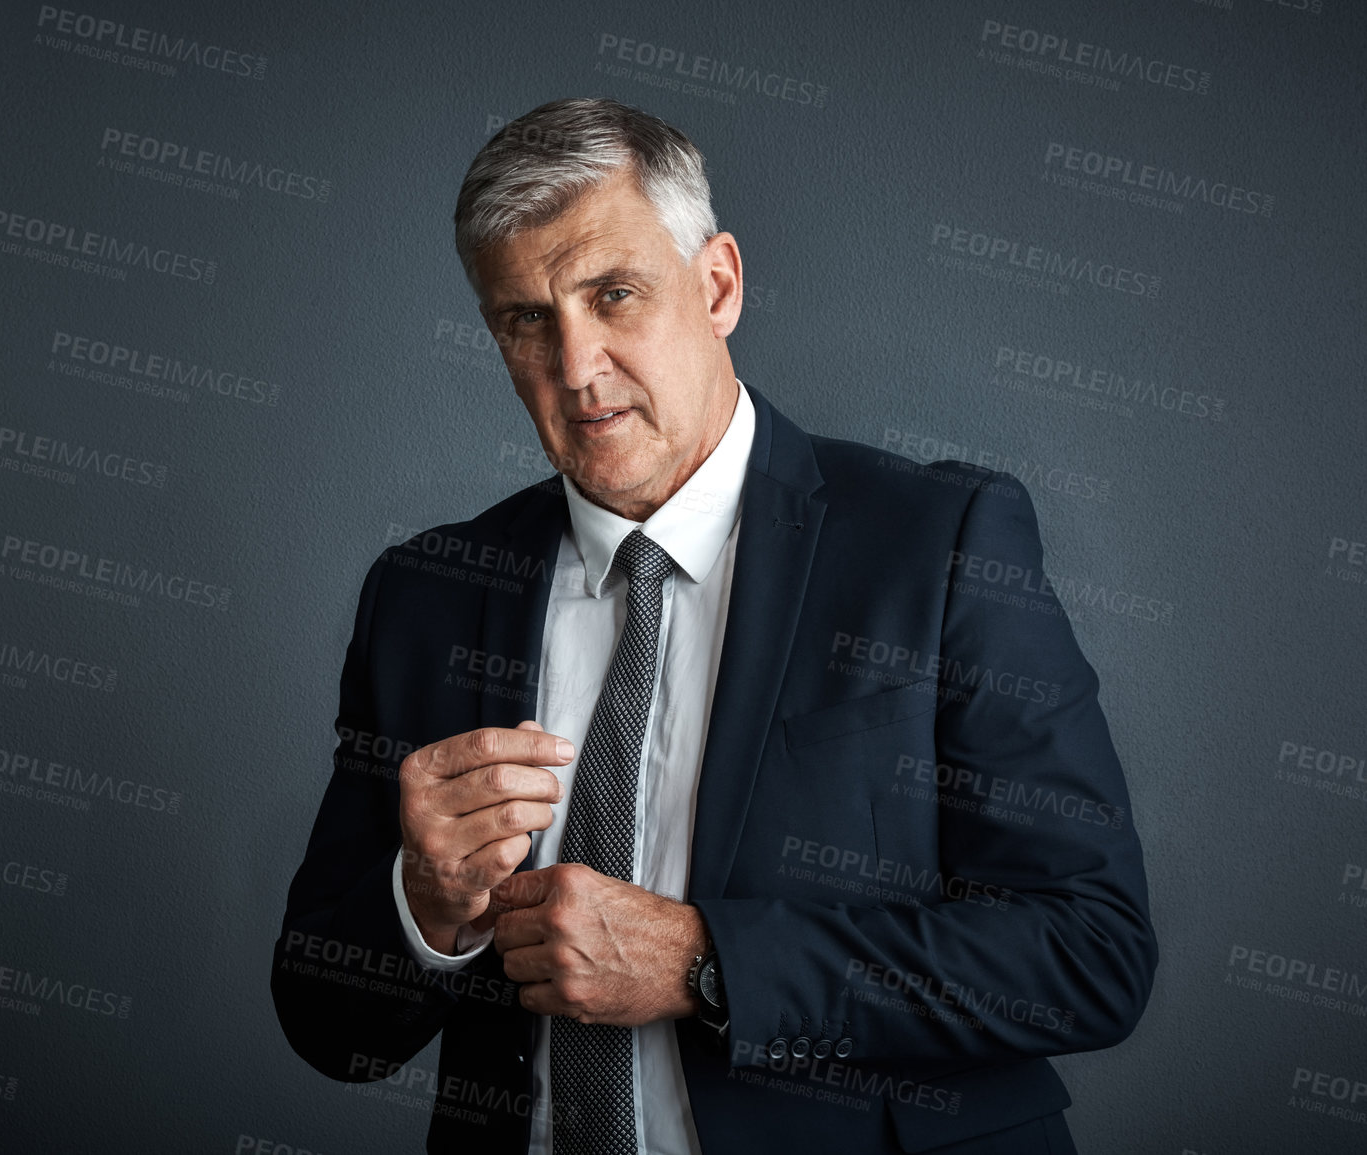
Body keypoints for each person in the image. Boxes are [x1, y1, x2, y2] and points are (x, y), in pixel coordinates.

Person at [271, 97, 1156, 1155]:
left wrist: (705, 964)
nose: (578, 365)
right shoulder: (426, 596)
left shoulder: (939, 544)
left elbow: (1089, 955)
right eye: (526, 319)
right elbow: (327, 1025)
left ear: (718, 284)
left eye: (615, 295)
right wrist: (424, 906)